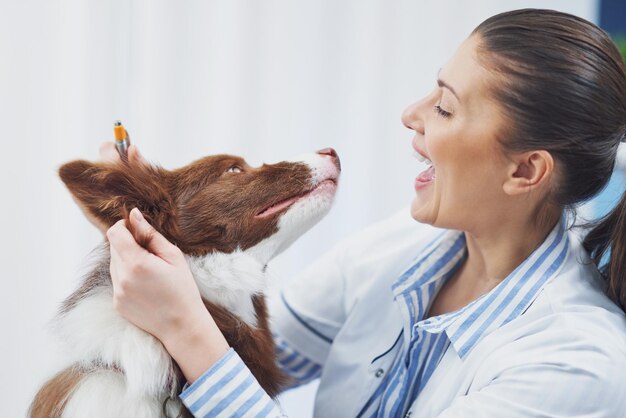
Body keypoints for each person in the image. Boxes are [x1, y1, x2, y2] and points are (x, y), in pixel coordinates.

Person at [98, 8, 626, 418]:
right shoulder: (400, 250)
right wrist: (175, 232)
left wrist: (188, 327)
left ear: (526, 172)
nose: (410, 115)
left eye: (444, 108)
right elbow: (258, 363)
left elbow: (208, 355)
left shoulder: (577, 364)